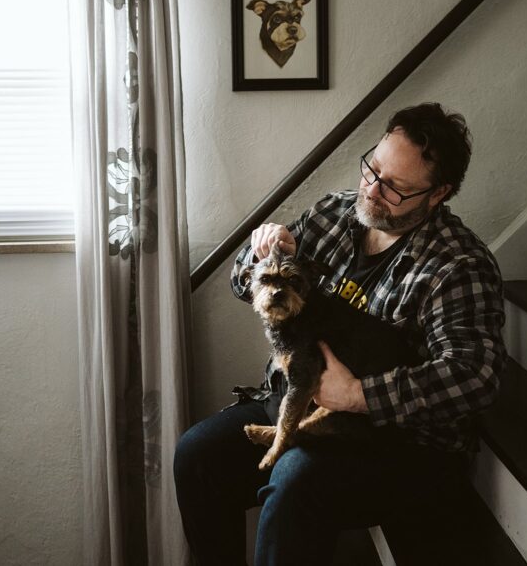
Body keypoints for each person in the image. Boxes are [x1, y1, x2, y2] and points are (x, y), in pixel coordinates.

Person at [174, 103, 506, 565]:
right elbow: (242, 285)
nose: (372, 190)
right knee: (197, 455)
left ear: (438, 193)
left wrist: (358, 394)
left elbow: (475, 376)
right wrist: (263, 251)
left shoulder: (457, 266)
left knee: (294, 480)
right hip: (293, 397)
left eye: (395, 188)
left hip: (394, 440)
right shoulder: (334, 213)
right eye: (373, 168)